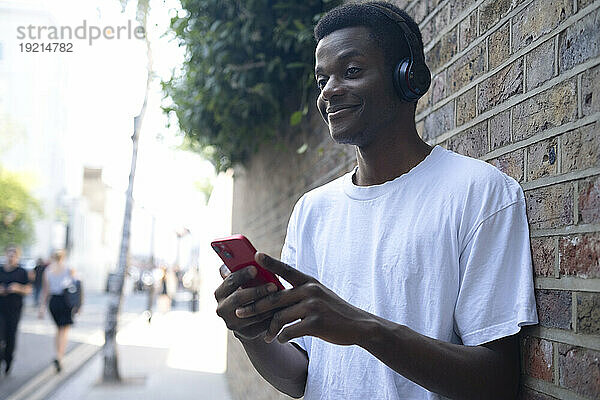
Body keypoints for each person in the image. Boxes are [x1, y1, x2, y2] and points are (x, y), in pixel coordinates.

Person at [214, 2, 539, 400]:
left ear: (409, 79)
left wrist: (363, 328)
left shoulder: (480, 193)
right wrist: (252, 335)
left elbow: (497, 382)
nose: (330, 91)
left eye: (351, 71)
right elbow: (302, 376)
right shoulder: (312, 211)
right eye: (322, 80)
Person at [38, 250, 79, 372]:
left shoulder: (48, 270)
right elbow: (76, 287)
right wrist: (78, 304)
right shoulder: (69, 269)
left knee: (58, 329)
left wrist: (42, 307)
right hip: (65, 301)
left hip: (53, 302)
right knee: (64, 330)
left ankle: (57, 353)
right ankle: (59, 356)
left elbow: (45, 291)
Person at [0, 246, 32, 375]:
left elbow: (28, 290)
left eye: (14, 255)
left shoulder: (22, 272)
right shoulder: (0, 270)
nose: (11, 257)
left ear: (18, 257)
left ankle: (8, 360)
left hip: (14, 310)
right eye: (9, 254)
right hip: (0, 308)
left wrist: (17, 288)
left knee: (10, 336)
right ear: (6, 255)